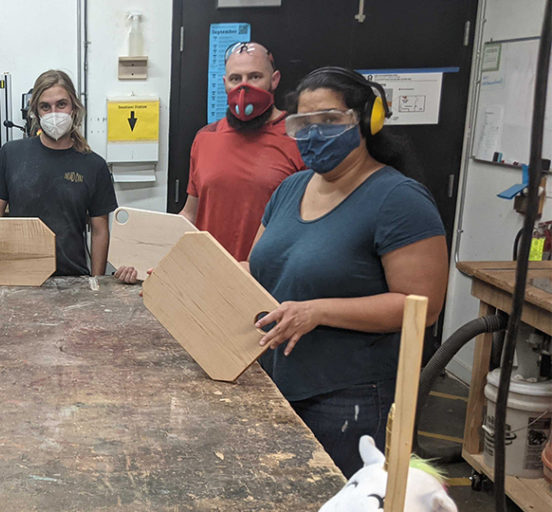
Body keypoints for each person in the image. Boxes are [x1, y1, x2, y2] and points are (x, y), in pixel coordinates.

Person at [247, 67, 448, 477]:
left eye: (330, 121)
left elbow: (421, 308)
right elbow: (257, 267)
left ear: (366, 121)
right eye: (304, 123)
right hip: (275, 381)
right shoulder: (291, 188)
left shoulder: (398, 199)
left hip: (347, 397)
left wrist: (317, 311)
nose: (314, 134)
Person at [115, 42, 303, 284]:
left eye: (254, 76)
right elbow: (189, 215)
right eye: (236, 78)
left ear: (274, 79)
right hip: (205, 280)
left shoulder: (299, 139)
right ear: (225, 83)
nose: (244, 86)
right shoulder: (206, 138)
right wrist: (144, 256)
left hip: (269, 284)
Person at [0, 69, 118, 277]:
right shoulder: (11, 154)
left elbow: (99, 231)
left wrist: (96, 283)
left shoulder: (94, 166)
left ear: (74, 108)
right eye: (46, 106)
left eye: (61, 104)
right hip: (19, 275)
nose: (54, 113)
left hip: (72, 278)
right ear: (35, 111)